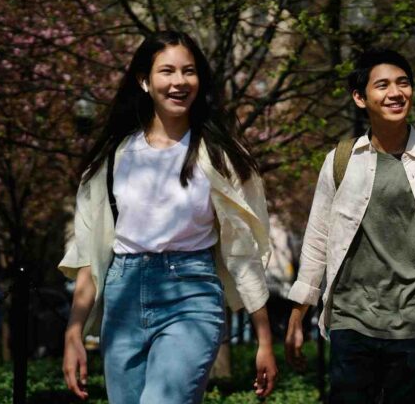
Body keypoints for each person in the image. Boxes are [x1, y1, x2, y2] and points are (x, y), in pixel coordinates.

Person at [59, 31, 277, 403]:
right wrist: (74, 331)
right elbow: (90, 254)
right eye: (167, 71)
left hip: (191, 293)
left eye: (188, 71)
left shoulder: (221, 158)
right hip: (123, 293)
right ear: (145, 80)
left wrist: (264, 339)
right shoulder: (114, 158)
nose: (179, 82)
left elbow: (243, 252)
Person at [284, 47, 415, 403]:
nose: (395, 93)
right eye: (382, 85)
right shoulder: (341, 160)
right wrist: (297, 315)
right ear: (360, 97)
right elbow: (318, 238)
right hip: (352, 320)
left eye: (403, 83)